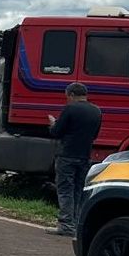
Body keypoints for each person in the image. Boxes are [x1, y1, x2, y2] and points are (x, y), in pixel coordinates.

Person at [47, 82, 102, 237]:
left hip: (67, 155)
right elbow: (95, 135)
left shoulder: (70, 109)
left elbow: (57, 132)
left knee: (65, 190)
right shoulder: (97, 111)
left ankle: (65, 224)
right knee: (79, 190)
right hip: (85, 156)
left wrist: (53, 124)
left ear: (71, 95)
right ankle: (77, 224)